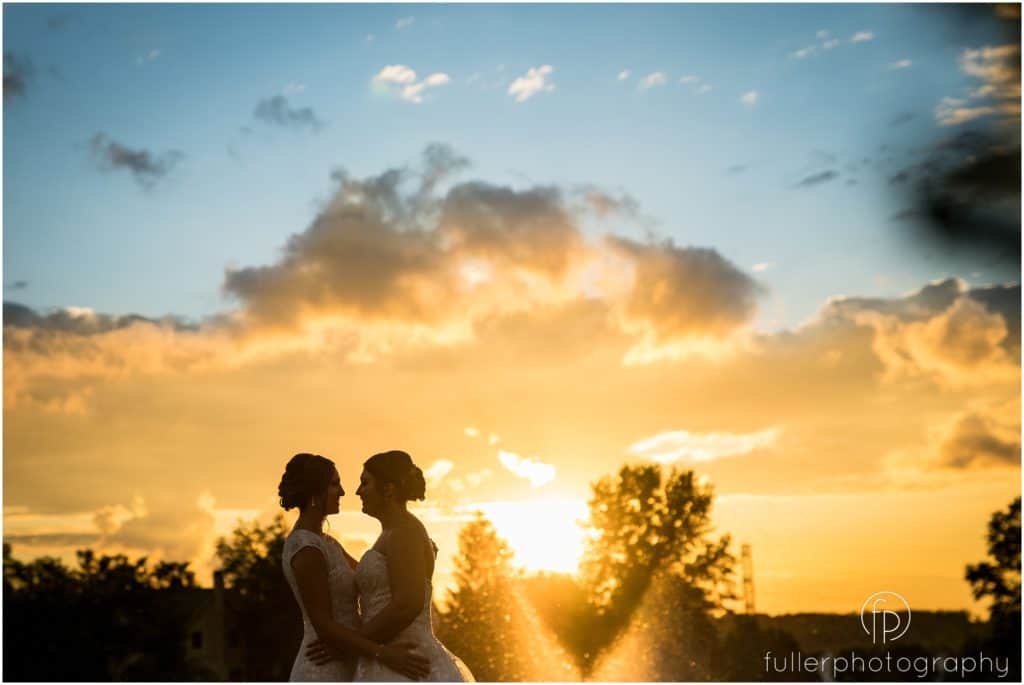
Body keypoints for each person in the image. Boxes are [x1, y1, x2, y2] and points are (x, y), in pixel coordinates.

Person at [309, 450, 474, 682]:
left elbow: (407, 603)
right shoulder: (392, 532)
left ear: (388, 489)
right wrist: (332, 549)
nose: (358, 491)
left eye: (365, 483)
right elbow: (381, 579)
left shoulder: (404, 532)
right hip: (387, 658)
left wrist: (350, 643)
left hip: (406, 661)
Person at [278, 452, 430, 681]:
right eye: (334, 484)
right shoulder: (305, 548)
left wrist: (415, 555)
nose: (343, 492)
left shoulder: (329, 544)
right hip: (324, 664)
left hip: (352, 657)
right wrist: (382, 653)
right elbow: (323, 625)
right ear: (314, 492)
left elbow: (375, 577)